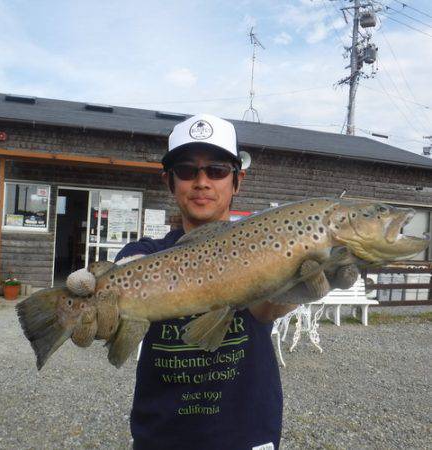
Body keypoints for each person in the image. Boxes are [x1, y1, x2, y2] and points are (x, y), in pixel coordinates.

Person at [67, 114, 359, 449]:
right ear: (169, 182)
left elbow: (264, 310)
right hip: (161, 435)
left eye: (217, 170)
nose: (202, 181)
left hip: (247, 433)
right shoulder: (143, 255)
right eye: (188, 170)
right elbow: (119, 287)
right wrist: (94, 304)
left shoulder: (267, 246)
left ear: (237, 181)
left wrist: (292, 291)